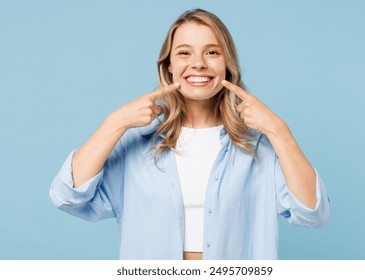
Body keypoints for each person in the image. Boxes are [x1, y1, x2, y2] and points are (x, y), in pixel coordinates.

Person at [50, 8, 330, 260]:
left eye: (212, 52)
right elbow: (67, 196)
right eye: (184, 52)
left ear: (227, 65)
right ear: (169, 66)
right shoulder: (136, 145)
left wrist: (279, 131)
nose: (198, 63)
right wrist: (114, 123)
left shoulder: (259, 148)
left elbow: (313, 213)